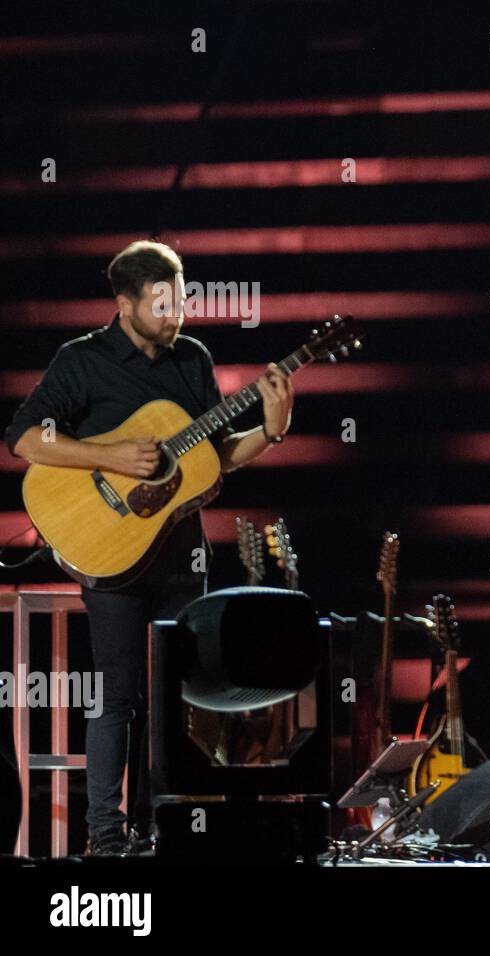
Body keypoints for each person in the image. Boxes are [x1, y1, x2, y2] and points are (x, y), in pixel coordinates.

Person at [3, 240, 294, 855]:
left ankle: (163, 829)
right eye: (161, 302)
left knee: (178, 696)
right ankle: (106, 836)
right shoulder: (81, 360)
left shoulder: (193, 359)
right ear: (124, 304)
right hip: (110, 553)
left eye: (181, 299)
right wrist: (108, 456)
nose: (176, 312)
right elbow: (25, 438)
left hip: (180, 553)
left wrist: (270, 431)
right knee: (118, 696)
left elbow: (215, 462)